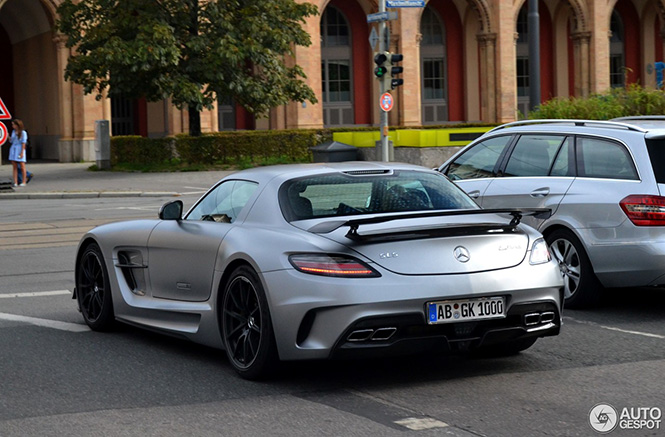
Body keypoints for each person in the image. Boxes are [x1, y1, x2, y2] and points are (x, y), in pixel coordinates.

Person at [8, 119, 29, 187]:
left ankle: (24, 181)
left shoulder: (23, 132)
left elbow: (23, 142)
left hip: (19, 149)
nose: (13, 126)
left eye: (13, 124)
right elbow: (12, 141)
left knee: (22, 166)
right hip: (13, 149)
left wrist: (22, 152)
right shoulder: (13, 132)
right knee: (14, 166)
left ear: (17, 125)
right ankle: (15, 182)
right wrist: (8, 137)